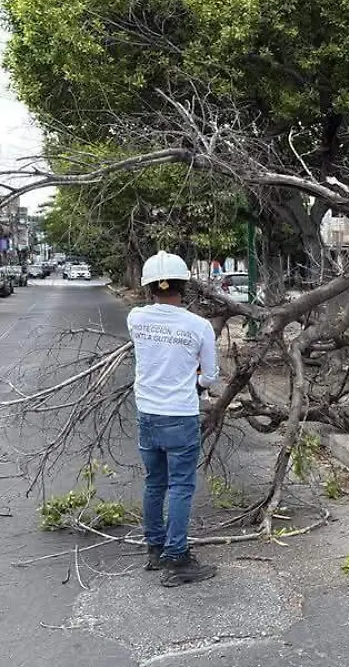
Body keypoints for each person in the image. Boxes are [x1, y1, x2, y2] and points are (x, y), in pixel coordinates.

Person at [127, 251, 220, 586]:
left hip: (148, 415)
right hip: (180, 415)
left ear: (150, 287)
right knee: (181, 486)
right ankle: (177, 558)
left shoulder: (136, 318)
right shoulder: (199, 326)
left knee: (155, 483)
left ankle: (155, 549)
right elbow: (210, 376)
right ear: (184, 286)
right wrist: (195, 383)